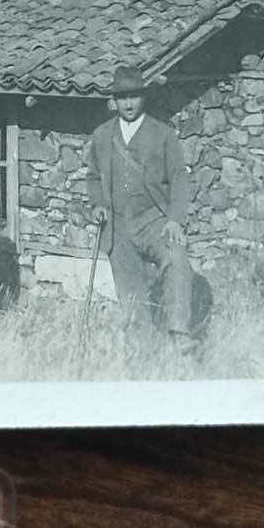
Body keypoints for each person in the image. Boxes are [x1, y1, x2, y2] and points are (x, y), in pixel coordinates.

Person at [86, 65, 195, 351]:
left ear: (143, 97)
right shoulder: (102, 135)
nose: (128, 103)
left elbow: (179, 177)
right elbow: (93, 176)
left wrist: (175, 219)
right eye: (122, 97)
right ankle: (141, 353)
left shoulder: (163, 134)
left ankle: (179, 332)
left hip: (153, 219)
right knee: (130, 293)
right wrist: (97, 204)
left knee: (176, 258)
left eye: (133, 96)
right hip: (118, 225)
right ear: (115, 100)